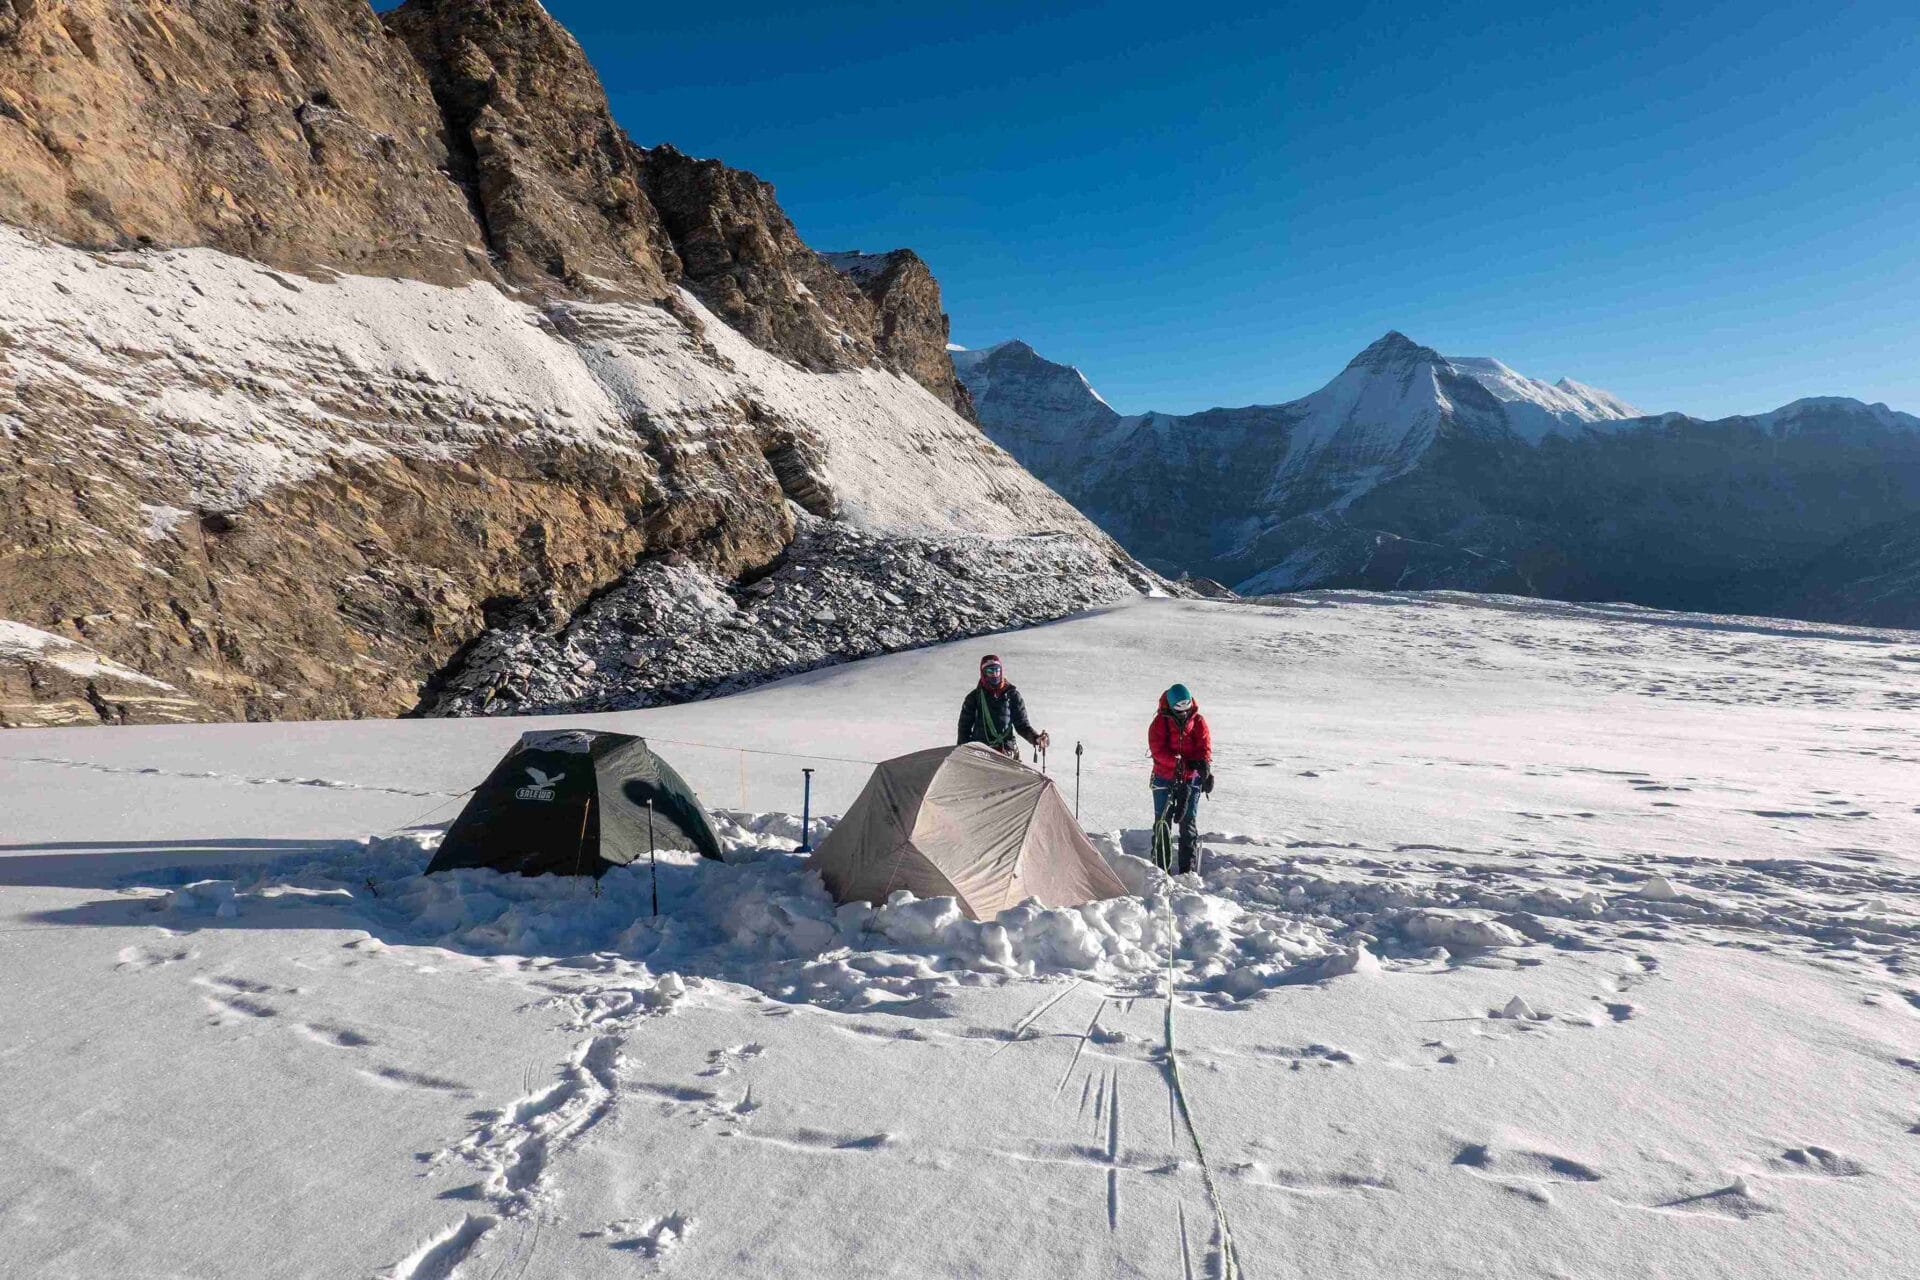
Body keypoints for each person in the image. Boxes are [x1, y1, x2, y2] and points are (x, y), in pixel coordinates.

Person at [1149, 683, 1213, 875]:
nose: (1184, 710)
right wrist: (1179, 764)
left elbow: (1204, 745)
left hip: (1190, 780)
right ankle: (1161, 870)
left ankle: (1188, 871)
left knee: (1188, 823)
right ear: (1171, 705)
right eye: (1179, 706)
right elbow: (1157, 751)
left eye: (1187, 705)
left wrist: (1204, 766)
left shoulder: (1198, 721)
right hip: (1164, 778)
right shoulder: (1159, 723)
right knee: (1163, 823)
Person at [957, 654, 1050, 759]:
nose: (995, 675)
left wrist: (1036, 738)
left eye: (997, 671)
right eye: (990, 672)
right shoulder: (974, 697)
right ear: (983, 673)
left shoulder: (1012, 695)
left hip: (1006, 751)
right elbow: (964, 728)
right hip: (981, 753)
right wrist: (962, 753)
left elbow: (1022, 725)